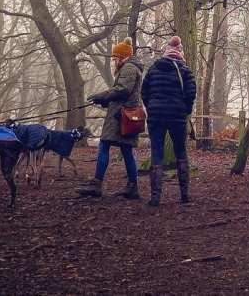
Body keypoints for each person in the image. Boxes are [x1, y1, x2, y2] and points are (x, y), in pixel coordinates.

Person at [77, 38, 144, 199]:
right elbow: (123, 93)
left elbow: (122, 90)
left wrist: (103, 96)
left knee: (105, 145)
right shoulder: (130, 67)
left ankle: (97, 184)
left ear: (122, 57)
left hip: (121, 117)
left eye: (115, 58)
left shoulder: (128, 68)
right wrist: (105, 100)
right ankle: (132, 187)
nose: (113, 61)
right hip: (122, 114)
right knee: (126, 150)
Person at [141, 35, 196, 206]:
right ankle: (184, 195)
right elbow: (191, 93)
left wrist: (151, 108)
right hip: (177, 116)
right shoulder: (184, 70)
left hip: (156, 116)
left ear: (166, 51)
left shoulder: (154, 68)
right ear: (179, 51)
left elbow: (144, 91)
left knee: (157, 152)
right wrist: (185, 110)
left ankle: (155, 197)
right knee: (180, 151)